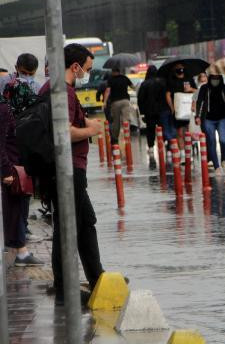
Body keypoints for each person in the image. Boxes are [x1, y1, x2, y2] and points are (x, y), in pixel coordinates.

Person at [39, 43, 106, 305]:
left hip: (68, 168)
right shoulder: (61, 92)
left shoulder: (61, 90)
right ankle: (64, 285)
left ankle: (97, 276)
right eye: (86, 69)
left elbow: (77, 120)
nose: (87, 74)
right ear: (75, 66)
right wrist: (93, 131)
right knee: (68, 228)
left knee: (85, 221)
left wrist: (90, 124)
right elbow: (65, 131)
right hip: (66, 169)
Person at [0, 80, 44, 267]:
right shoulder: (4, 110)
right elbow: (1, 143)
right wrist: (5, 170)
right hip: (12, 168)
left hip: (15, 166)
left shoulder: (11, 111)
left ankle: (16, 246)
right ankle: (21, 252)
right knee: (16, 207)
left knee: (17, 208)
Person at [195, 74, 225, 175]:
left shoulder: (223, 87)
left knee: (223, 140)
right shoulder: (204, 88)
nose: (215, 80)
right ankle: (216, 166)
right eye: (213, 78)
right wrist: (197, 116)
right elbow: (199, 102)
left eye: (217, 78)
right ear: (209, 78)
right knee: (211, 141)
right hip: (208, 119)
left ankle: (224, 160)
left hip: (222, 118)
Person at [137, 65, 169, 154]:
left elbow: (140, 99)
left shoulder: (144, 84)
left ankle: (151, 146)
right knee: (163, 127)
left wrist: (142, 112)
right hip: (162, 110)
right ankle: (166, 143)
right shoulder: (163, 82)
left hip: (149, 111)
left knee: (150, 129)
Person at [166, 63, 197, 152]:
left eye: (181, 67)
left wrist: (190, 89)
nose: (180, 69)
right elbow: (168, 95)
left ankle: (189, 151)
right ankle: (182, 153)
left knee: (189, 131)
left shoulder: (189, 79)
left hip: (189, 109)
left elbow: (197, 91)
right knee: (179, 132)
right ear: (174, 69)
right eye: (177, 67)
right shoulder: (171, 80)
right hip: (178, 110)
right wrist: (172, 108)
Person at [103, 68, 134, 144]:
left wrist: (105, 102)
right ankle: (127, 135)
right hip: (125, 101)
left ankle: (115, 139)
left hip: (115, 102)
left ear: (113, 72)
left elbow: (108, 91)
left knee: (116, 121)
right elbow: (133, 86)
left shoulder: (111, 80)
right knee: (126, 119)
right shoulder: (125, 78)